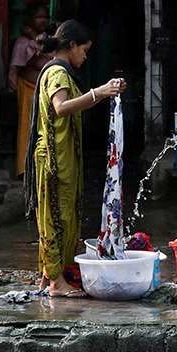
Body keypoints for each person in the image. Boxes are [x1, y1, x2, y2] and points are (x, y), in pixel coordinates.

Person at [30, 20, 125, 297]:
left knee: (65, 216)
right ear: (72, 45)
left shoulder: (62, 72)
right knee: (55, 218)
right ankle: (56, 282)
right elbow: (61, 108)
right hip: (54, 160)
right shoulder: (58, 73)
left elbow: (79, 102)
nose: (85, 56)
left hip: (63, 157)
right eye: (84, 50)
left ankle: (49, 277)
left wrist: (106, 90)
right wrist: (99, 92)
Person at [9, 5, 51, 177]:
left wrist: (37, 37)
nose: (42, 20)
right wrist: (35, 38)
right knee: (27, 128)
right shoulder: (23, 42)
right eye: (38, 17)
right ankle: (25, 169)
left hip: (45, 92)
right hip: (27, 88)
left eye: (45, 17)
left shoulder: (50, 40)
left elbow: (49, 54)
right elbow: (26, 62)